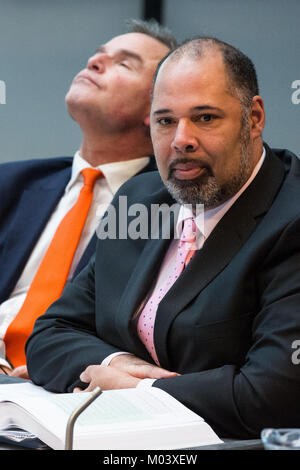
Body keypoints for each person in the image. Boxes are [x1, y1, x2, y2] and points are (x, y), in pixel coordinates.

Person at [26, 37, 300, 439]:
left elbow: (273, 394)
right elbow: (50, 334)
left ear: (254, 117)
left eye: (205, 118)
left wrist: (140, 390)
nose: (181, 140)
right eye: (165, 120)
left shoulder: (291, 218)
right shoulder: (139, 200)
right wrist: (116, 362)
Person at [0, 19, 176, 379]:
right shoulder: (11, 183)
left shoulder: (173, 209)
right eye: (98, 55)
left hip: (70, 385)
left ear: (158, 112)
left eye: (124, 63)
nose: (94, 63)